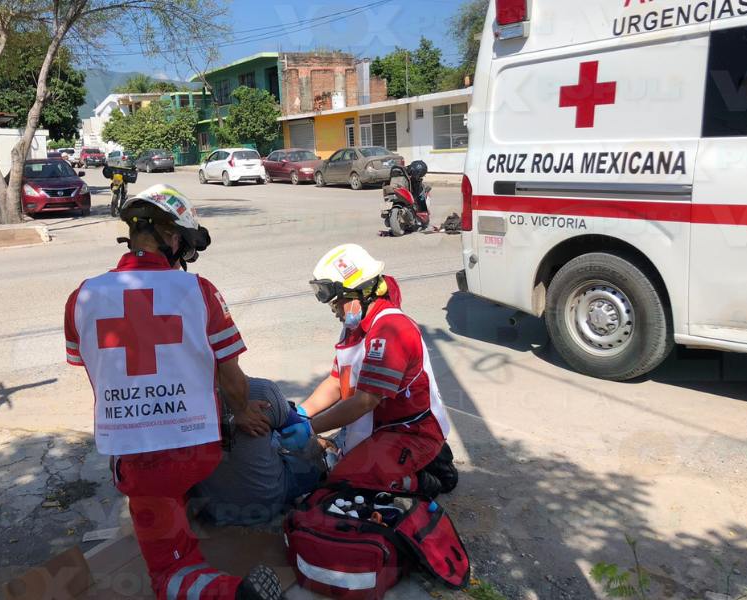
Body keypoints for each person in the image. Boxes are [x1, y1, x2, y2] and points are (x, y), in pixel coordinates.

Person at [63, 184, 283, 600]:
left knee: (166, 569)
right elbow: (231, 376)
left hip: (138, 458)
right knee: (176, 491)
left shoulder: (82, 296)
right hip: (200, 450)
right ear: (172, 236)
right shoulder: (199, 291)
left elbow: (92, 368)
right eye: (184, 242)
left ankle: (223, 589)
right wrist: (239, 413)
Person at [282, 243, 458, 496]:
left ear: (361, 294)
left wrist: (310, 428)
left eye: (337, 303)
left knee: (347, 485)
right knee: (330, 470)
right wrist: (301, 413)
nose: (333, 311)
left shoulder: (392, 331)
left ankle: (423, 481)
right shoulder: (355, 326)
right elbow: (335, 382)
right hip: (375, 426)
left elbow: (365, 401)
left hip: (410, 431)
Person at [193, 378, 325, 526]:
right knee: (309, 452)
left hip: (212, 504)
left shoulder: (178, 401)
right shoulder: (261, 390)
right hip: (268, 501)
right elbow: (301, 437)